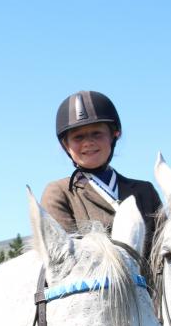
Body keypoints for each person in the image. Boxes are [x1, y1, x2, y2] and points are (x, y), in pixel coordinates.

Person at [41, 90, 162, 257]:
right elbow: (65, 259)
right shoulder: (59, 193)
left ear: (114, 135)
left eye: (97, 134)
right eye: (78, 137)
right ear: (65, 145)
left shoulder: (145, 192)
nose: (88, 143)